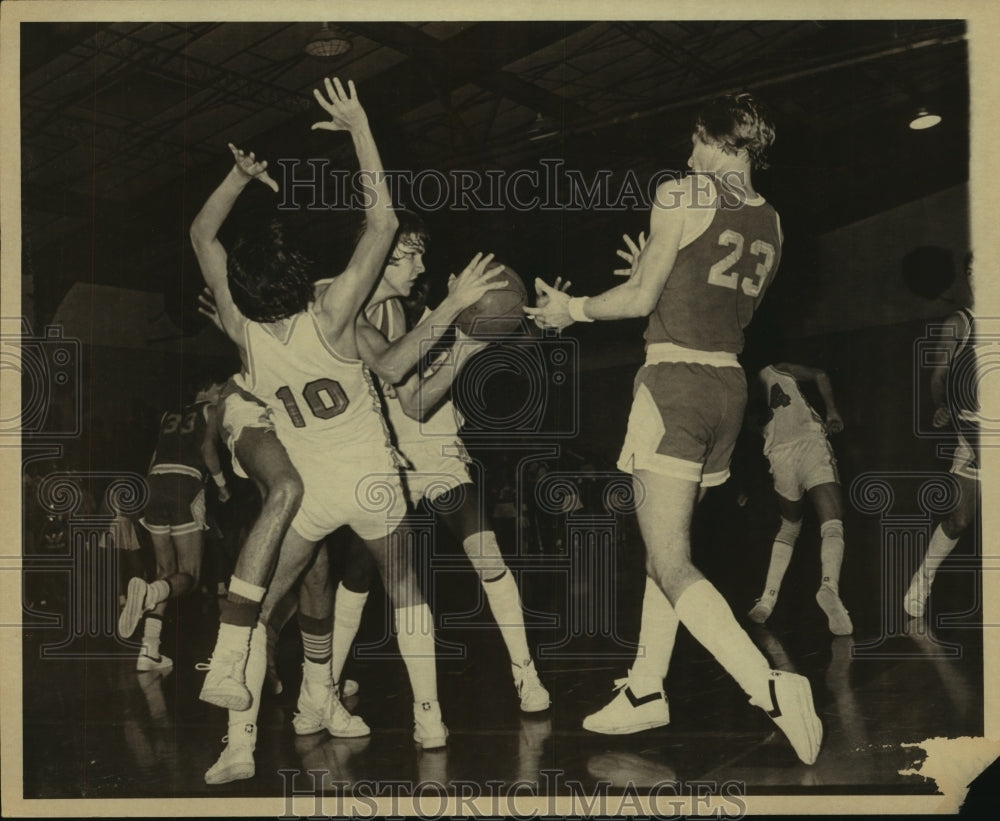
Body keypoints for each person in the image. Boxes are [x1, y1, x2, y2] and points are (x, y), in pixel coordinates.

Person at [190, 77, 505, 784]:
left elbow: (200, 234)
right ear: (302, 278)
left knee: (266, 610)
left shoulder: (242, 334)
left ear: (237, 293)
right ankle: (429, 717)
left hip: (307, 495)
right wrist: (362, 126)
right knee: (406, 590)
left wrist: (237, 179)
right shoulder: (331, 316)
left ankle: (237, 741)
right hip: (367, 478)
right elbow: (383, 221)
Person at [526, 92, 822, 765]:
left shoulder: (682, 191)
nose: (687, 155)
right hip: (728, 387)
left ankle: (770, 688)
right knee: (671, 544)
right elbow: (710, 300)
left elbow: (637, 301)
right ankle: (645, 688)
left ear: (721, 142)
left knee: (668, 558)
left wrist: (567, 309)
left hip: (674, 385)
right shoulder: (773, 220)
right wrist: (655, 273)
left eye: (696, 140)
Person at [317, 214, 552, 714]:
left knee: (489, 556)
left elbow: (419, 401)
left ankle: (525, 673)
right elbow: (397, 373)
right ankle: (323, 685)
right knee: (359, 573)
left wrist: (535, 318)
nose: (420, 273)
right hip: (371, 455)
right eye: (412, 261)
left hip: (434, 451)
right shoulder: (356, 309)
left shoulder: (421, 317)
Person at [118, 380, 230, 671]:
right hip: (184, 481)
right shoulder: (212, 410)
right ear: (208, 389)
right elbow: (207, 448)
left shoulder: (169, 414)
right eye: (222, 390)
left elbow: (154, 457)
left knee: (164, 572)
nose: (224, 396)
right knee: (189, 575)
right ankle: (149, 594)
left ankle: (149, 650)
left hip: (154, 483)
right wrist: (221, 484)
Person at [745, 362, 853, 635]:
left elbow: (743, 436)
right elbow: (821, 372)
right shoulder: (776, 368)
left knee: (790, 525)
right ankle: (829, 587)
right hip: (810, 444)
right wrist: (832, 411)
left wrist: (744, 484)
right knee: (832, 522)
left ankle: (767, 600)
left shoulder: (738, 382)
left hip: (780, 457)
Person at [904, 254, 979, 618]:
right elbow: (938, 377)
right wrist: (941, 406)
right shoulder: (960, 323)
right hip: (974, 429)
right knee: (959, 518)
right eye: (970, 270)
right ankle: (923, 577)